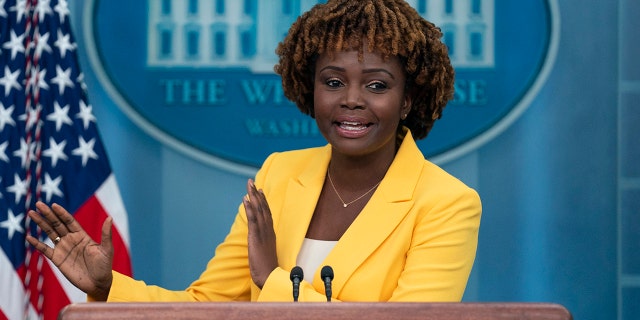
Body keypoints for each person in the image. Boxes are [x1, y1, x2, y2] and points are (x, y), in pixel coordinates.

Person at [27, 0, 481, 302]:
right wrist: (109, 288)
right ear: (310, 88)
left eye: (377, 85)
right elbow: (207, 306)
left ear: (408, 99)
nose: (352, 99)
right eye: (334, 82)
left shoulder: (446, 203)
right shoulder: (279, 174)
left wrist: (271, 279)